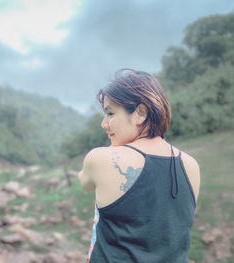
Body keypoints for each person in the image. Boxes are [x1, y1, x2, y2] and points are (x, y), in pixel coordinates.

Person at [78, 68, 200, 263]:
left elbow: (85, 182)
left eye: (110, 113)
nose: (104, 123)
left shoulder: (100, 158)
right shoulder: (191, 165)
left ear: (140, 113)